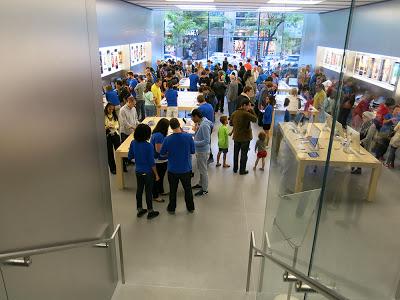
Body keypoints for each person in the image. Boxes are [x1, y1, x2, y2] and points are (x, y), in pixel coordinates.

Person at [160, 118, 195, 214]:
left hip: (173, 169)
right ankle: (190, 207)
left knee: (173, 190)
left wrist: (170, 154)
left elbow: (162, 153)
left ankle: (172, 208)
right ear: (179, 124)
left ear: (170, 127)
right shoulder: (188, 137)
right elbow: (192, 151)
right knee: (188, 189)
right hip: (186, 169)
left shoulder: (167, 139)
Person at [127, 124, 160, 220]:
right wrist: (157, 175)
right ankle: (150, 211)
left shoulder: (133, 143)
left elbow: (130, 157)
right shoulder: (148, 146)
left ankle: (139, 209)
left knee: (139, 190)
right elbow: (152, 162)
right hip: (148, 172)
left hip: (138, 171)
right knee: (148, 191)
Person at [231, 99, 258, 175]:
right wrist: (252, 110)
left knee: (236, 153)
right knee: (244, 154)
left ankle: (235, 168)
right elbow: (255, 119)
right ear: (244, 105)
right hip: (245, 137)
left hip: (236, 136)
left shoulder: (235, 112)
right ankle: (242, 170)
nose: (250, 107)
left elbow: (230, 123)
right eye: (249, 105)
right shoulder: (246, 114)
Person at [191, 109, 212, 196]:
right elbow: (199, 135)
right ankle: (200, 184)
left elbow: (207, 141)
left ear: (196, 116)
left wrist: (193, 143)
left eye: (192, 117)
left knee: (203, 171)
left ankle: (204, 189)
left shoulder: (204, 125)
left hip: (203, 152)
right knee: (201, 169)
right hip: (200, 151)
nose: (192, 119)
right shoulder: (201, 123)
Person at [150, 118, 170, 202]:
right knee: (157, 178)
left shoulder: (158, 134)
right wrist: (170, 153)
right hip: (158, 161)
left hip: (160, 160)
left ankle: (160, 191)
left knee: (160, 177)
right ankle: (155, 195)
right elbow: (159, 150)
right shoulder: (159, 136)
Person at [119, 96, 140, 171]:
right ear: (129, 102)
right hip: (125, 132)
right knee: (124, 148)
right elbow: (124, 122)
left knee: (130, 148)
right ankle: (123, 165)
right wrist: (133, 127)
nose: (134, 106)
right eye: (133, 104)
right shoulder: (122, 110)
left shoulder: (133, 108)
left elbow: (136, 119)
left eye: (135, 104)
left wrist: (139, 124)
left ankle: (129, 160)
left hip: (132, 132)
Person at [104, 103, 121, 175]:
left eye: (112, 109)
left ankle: (121, 166)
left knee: (118, 151)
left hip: (115, 134)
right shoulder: (103, 116)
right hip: (108, 136)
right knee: (110, 153)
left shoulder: (114, 115)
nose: (111, 110)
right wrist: (107, 127)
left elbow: (117, 124)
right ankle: (113, 168)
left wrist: (114, 126)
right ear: (106, 108)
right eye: (109, 109)